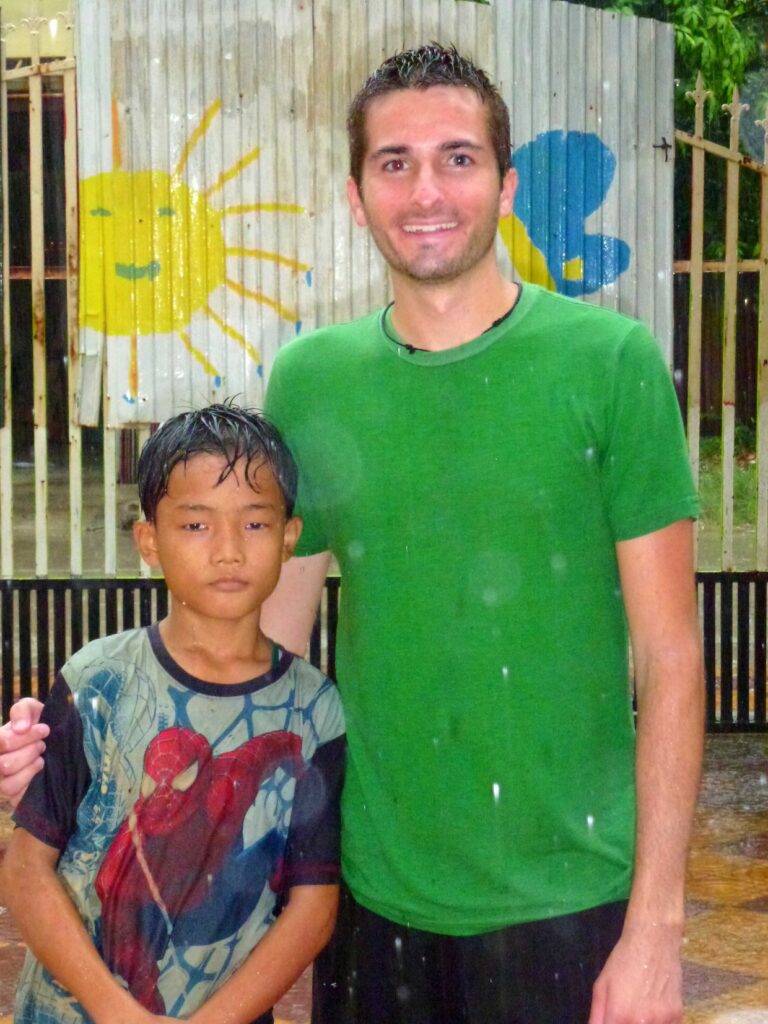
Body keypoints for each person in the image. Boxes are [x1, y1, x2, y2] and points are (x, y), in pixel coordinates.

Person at [1, 44, 703, 1024]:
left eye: (458, 158)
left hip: (572, 895)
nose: (427, 191)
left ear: (506, 186)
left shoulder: (611, 364)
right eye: (395, 162)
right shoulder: (315, 380)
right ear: (356, 195)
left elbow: (671, 657)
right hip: (372, 900)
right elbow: (258, 650)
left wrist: (656, 926)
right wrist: (81, 753)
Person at [2, 404, 345, 1024]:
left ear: (290, 537)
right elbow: (27, 870)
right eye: (195, 525)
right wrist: (117, 1012)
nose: (228, 550)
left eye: (255, 523)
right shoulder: (98, 681)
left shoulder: (315, 710)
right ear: (149, 542)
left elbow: (312, 909)